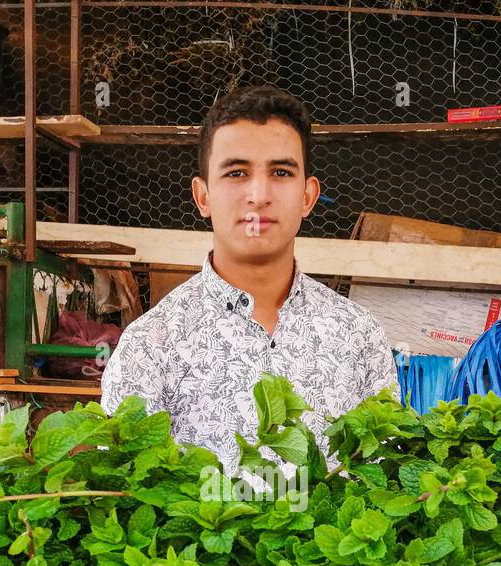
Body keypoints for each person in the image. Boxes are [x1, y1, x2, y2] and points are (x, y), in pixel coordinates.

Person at [99, 84, 398, 475]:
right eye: (237, 172)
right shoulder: (152, 345)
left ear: (308, 196)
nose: (258, 195)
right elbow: (123, 486)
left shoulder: (358, 334)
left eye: (281, 172)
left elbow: (385, 469)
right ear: (202, 196)